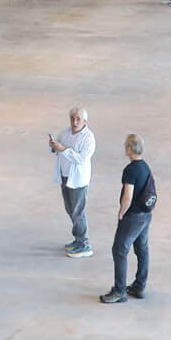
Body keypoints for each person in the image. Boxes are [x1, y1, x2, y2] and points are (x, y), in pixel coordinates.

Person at [99, 134, 158, 304]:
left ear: (129, 149)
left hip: (133, 217)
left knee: (119, 250)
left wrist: (121, 212)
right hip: (146, 215)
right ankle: (139, 286)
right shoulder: (145, 167)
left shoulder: (130, 170)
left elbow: (128, 196)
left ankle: (119, 291)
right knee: (142, 249)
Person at [49, 106, 96, 258]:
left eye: (78, 119)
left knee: (78, 211)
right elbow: (58, 150)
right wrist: (54, 147)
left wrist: (62, 149)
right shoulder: (65, 133)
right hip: (65, 176)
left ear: (84, 121)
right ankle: (78, 239)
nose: (74, 122)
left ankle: (84, 244)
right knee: (70, 209)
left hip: (78, 180)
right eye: (72, 118)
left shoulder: (88, 138)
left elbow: (81, 159)